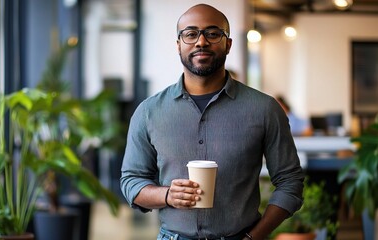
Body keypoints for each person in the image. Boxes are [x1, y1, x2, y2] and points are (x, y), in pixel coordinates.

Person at [120, 4, 304, 240]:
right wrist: (167, 195)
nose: (201, 42)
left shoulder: (265, 109)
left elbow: (290, 182)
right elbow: (131, 181)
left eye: (213, 33)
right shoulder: (148, 111)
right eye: (190, 33)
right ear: (179, 45)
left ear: (228, 43)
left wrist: (254, 237)